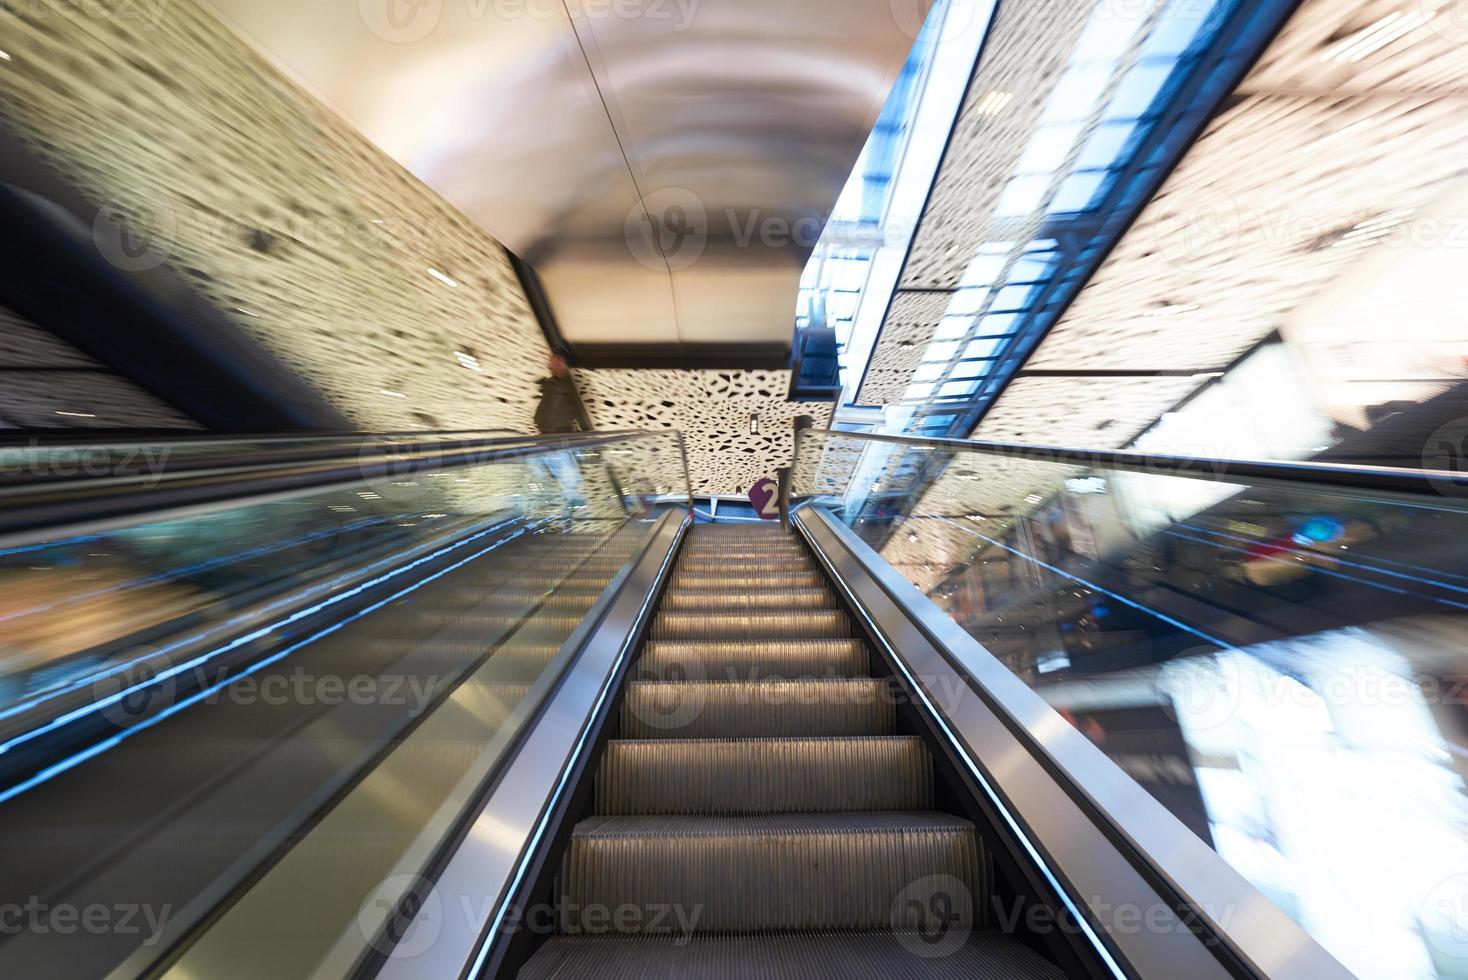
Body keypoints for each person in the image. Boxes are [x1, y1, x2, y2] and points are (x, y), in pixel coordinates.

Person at [534, 353, 592, 435]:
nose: (549, 366)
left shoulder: (572, 385)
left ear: (562, 363)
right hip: (544, 432)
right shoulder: (550, 382)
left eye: (552, 362)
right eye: (550, 362)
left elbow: (580, 410)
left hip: (559, 433)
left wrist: (586, 431)